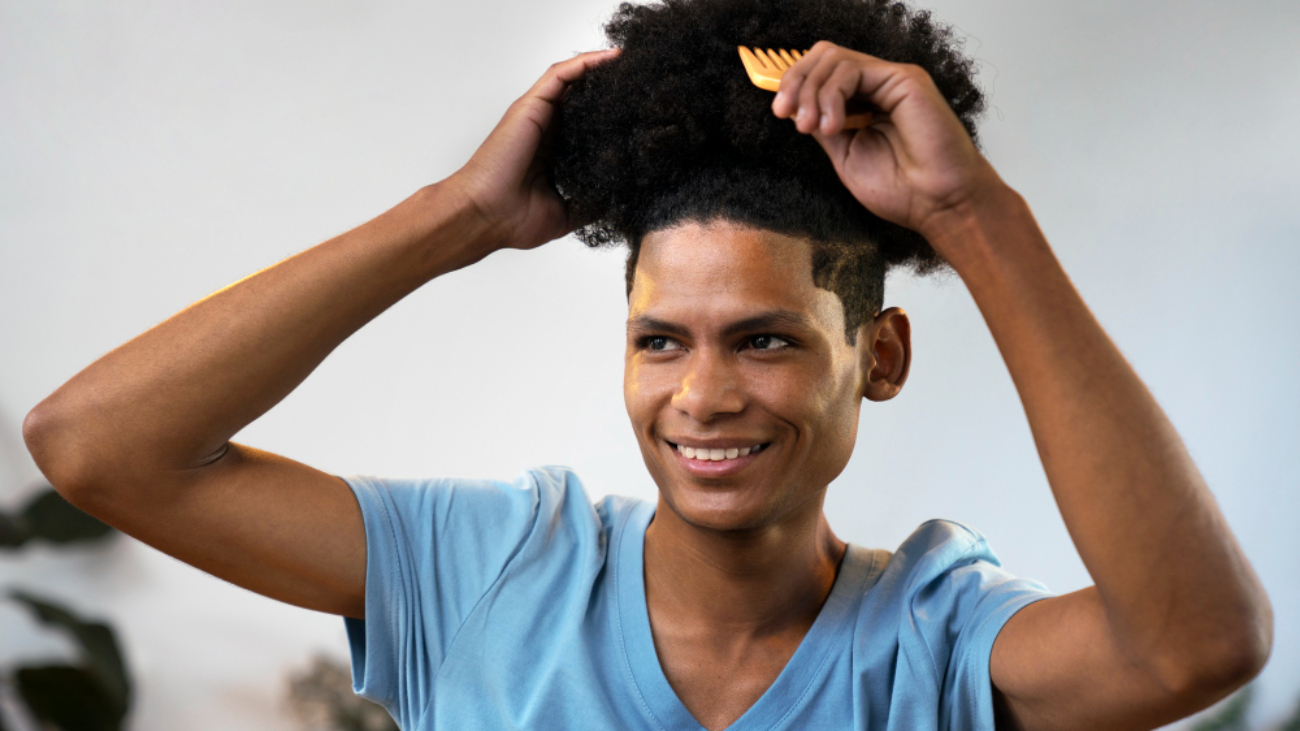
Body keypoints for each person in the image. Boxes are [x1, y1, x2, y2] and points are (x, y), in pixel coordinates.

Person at [22, 0, 1272, 729]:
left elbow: (1194, 644)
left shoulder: (932, 642)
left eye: (767, 338)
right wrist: (455, 215)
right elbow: (94, 446)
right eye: (660, 338)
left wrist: (971, 217)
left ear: (876, 355)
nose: (703, 394)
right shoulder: (493, 569)